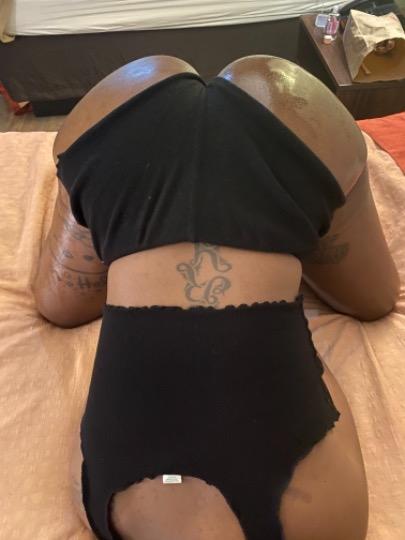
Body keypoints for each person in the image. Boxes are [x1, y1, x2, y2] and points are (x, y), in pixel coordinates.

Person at [33, 54, 399, 540]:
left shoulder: (96, 115)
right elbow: (373, 298)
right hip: (311, 499)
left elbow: (60, 304)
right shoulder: (312, 110)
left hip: (135, 498)